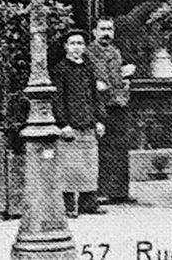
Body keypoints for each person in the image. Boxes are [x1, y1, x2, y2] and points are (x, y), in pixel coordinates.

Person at [51, 30, 107, 217]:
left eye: (80, 44)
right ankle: (68, 206)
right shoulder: (60, 70)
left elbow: (95, 96)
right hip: (71, 126)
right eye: (73, 43)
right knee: (68, 166)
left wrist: (99, 119)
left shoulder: (88, 68)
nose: (77, 47)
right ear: (66, 46)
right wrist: (63, 123)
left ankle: (88, 203)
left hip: (88, 123)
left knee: (90, 165)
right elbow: (57, 99)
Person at [86, 18, 137, 204]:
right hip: (100, 105)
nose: (106, 33)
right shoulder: (89, 52)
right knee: (103, 148)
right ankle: (102, 192)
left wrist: (125, 78)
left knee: (121, 147)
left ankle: (120, 191)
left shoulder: (116, 51)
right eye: (102, 29)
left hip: (119, 104)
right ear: (94, 32)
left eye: (110, 29)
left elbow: (118, 78)